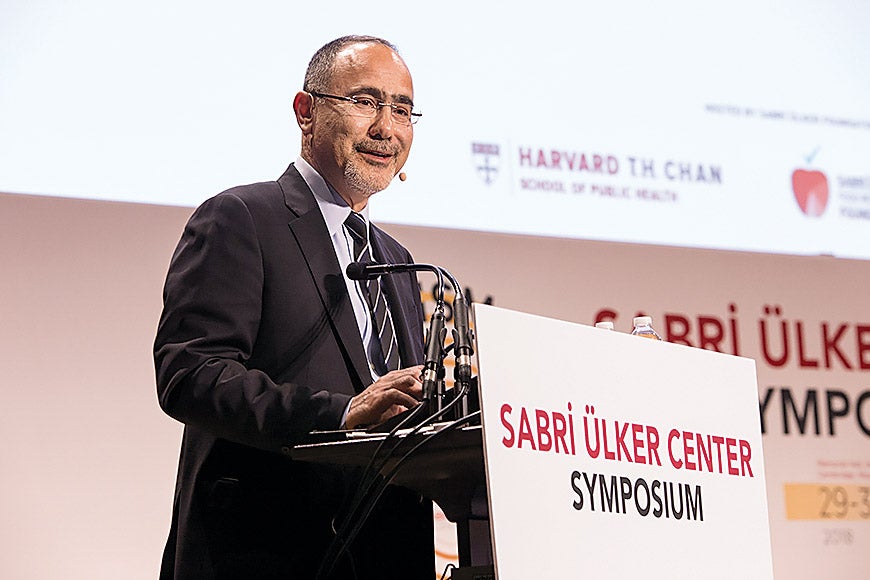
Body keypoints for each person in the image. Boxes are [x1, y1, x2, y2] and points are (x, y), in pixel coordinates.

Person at [154, 35, 434, 579]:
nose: (386, 127)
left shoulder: (398, 263)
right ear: (306, 112)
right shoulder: (240, 218)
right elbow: (190, 375)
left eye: (402, 109)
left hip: (381, 556)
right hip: (262, 553)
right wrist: (339, 414)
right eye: (365, 101)